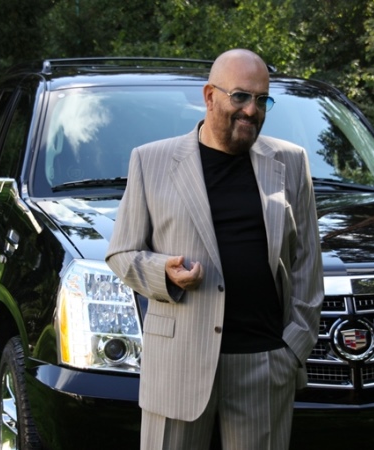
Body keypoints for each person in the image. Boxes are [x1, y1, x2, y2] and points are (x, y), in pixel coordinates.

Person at [106, 48, 324, 450]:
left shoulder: (291, 162)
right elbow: (121, 252)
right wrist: (163, 273)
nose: (251, 110)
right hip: (178, 364)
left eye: (262, 100)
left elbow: (307, 261)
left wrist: (293, 347)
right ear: (210, 96)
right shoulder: (151, 162)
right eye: (240, 96)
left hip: (264, 364)